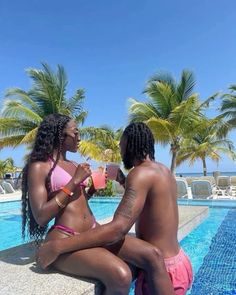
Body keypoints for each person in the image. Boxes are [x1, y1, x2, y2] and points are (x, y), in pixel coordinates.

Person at [23, 114, 174, 295]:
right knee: (121, 275)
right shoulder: (40, 166)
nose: (79, 138)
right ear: (59, 135)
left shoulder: (73, 164)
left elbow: (75, 203)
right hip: (64, 237)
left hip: (91, 232)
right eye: (75, 133)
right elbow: (41, 216)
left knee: (153, 255)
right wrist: (74, 181)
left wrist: (91, 190)